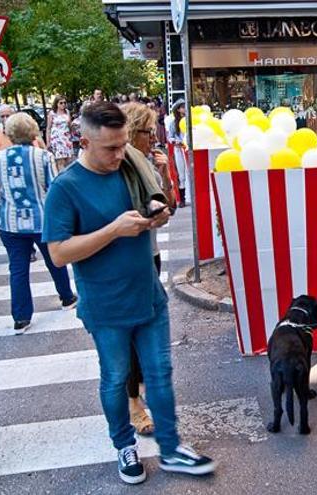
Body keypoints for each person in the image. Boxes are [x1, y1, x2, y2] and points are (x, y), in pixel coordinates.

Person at [43, 102, 215, 484]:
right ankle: (124, 445)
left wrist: (159, 211)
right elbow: (57, 253)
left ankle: (170, 449)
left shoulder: (131, 167)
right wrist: (112, 231)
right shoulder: (65, 187)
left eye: (123, 144)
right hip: (106, 306)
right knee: (115, 376)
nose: (120, 154)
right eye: (110, 148)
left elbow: (157, 204)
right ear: (84, 142)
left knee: (160, 374)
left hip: (149, 296)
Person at [0, 113, 78, 334]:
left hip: (11, 222)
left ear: (9, 133)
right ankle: (66, 296)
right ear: (33, 131)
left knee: (17, 269)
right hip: (42, 220)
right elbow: (55, 186)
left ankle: (21, 317)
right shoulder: (43, 157)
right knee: (55, 260)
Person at [121, 101, 178, 436]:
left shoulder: (147, 162)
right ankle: (132, 403)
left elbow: (166, 207)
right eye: (148, 131)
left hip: (149, 254)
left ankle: (140, 385)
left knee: (145, 325)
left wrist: (165, 173)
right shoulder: (122, 164)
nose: (152, 137)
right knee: (130, 332)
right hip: (126, 259)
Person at [166, 99, 189, 207]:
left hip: (189, 149)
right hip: (179, 150)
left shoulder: (190, 120)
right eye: (183, 107)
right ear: (178, 109)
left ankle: (191, 196)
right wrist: (175, 141)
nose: (185, 109)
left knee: (191, 173)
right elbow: (170, 137)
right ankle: (182, 199)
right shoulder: (174, 123)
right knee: (181, 173)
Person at [46, 96, 74, 175]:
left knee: (69, 160)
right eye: (61, 103)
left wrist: (71, 125)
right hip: (57, 139)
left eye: (64, 103)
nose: (63, 104)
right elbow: (48, 128)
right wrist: (48, 142)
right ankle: (61, 178)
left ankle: (68, 179)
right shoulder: (52, 113)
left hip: (66, 138)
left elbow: (70, 126)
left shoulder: (67, 112)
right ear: (57, 104)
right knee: (60, 161)